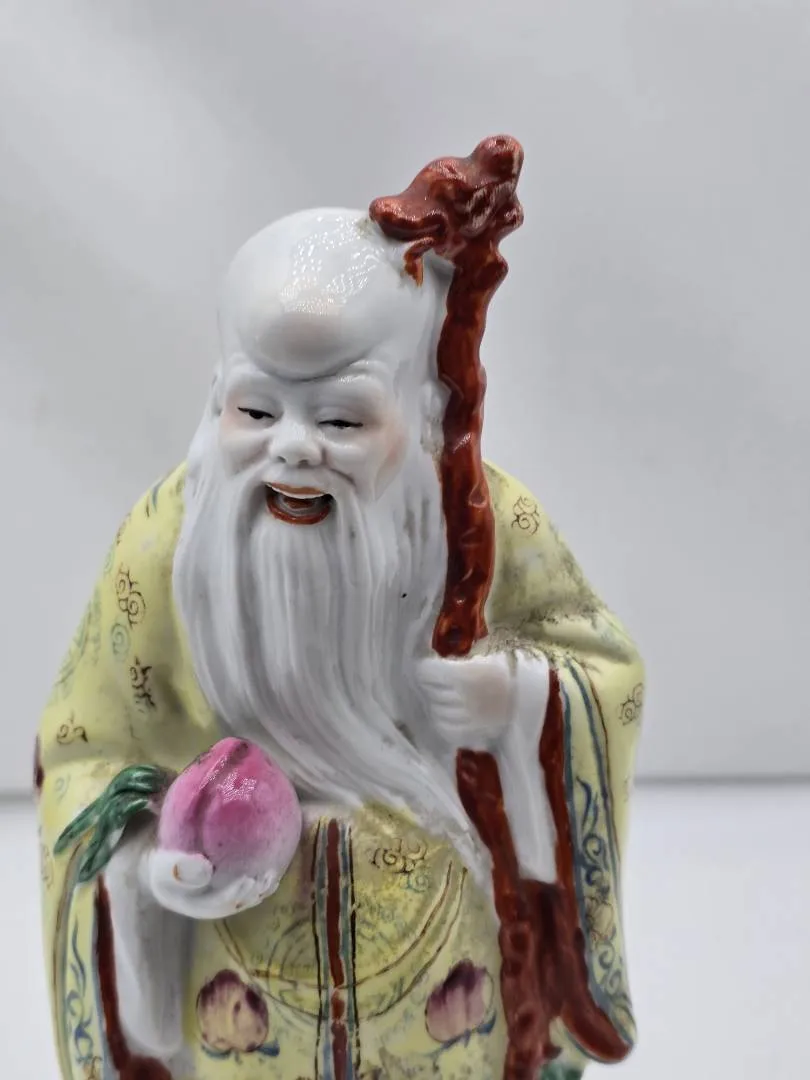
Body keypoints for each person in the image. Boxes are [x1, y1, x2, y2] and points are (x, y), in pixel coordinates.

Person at [37, 143, 644, 1080]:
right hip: (236, 980)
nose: (293, 450)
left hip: (450, 975)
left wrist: (519, 699)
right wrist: (149, 864)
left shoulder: (486, 524)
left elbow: (604, 671)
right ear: (218, 393)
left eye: (341, 420)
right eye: (256, 412)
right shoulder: (165, 543)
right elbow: (85, 748)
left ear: (420, 406)